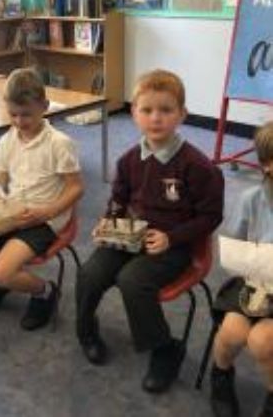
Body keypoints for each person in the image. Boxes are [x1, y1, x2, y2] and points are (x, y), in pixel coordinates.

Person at [75, 69, 224, 393]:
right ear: (134, 113)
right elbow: (119, 199)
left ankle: (165, 349)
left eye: (166, 110)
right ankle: (86, 329)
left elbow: (211, 216)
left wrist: (173, 237)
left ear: (182, 114)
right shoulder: (129, 160)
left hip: (175, 244)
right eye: (147, 110)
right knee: (91, 273)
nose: (156, 118)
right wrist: (108, 220)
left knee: (133, 280)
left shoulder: (198, 166)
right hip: (131, 234)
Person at [0, 67, 83, 331]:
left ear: (44, 107)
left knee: (0, 270)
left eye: (26, 114)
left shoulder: (59, 143)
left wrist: (48, 212)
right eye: (13, 114)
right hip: (9, 212)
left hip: (43, 219)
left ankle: (44, 292)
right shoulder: (6, 141)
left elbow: (76, 188)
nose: (19, 121)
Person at [210, 121, 273, 417]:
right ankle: (220, 375)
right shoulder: (252, 200)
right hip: (254, 281)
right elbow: (233, 247)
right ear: (267, 165)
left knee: (263, 342)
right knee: (232, 332)